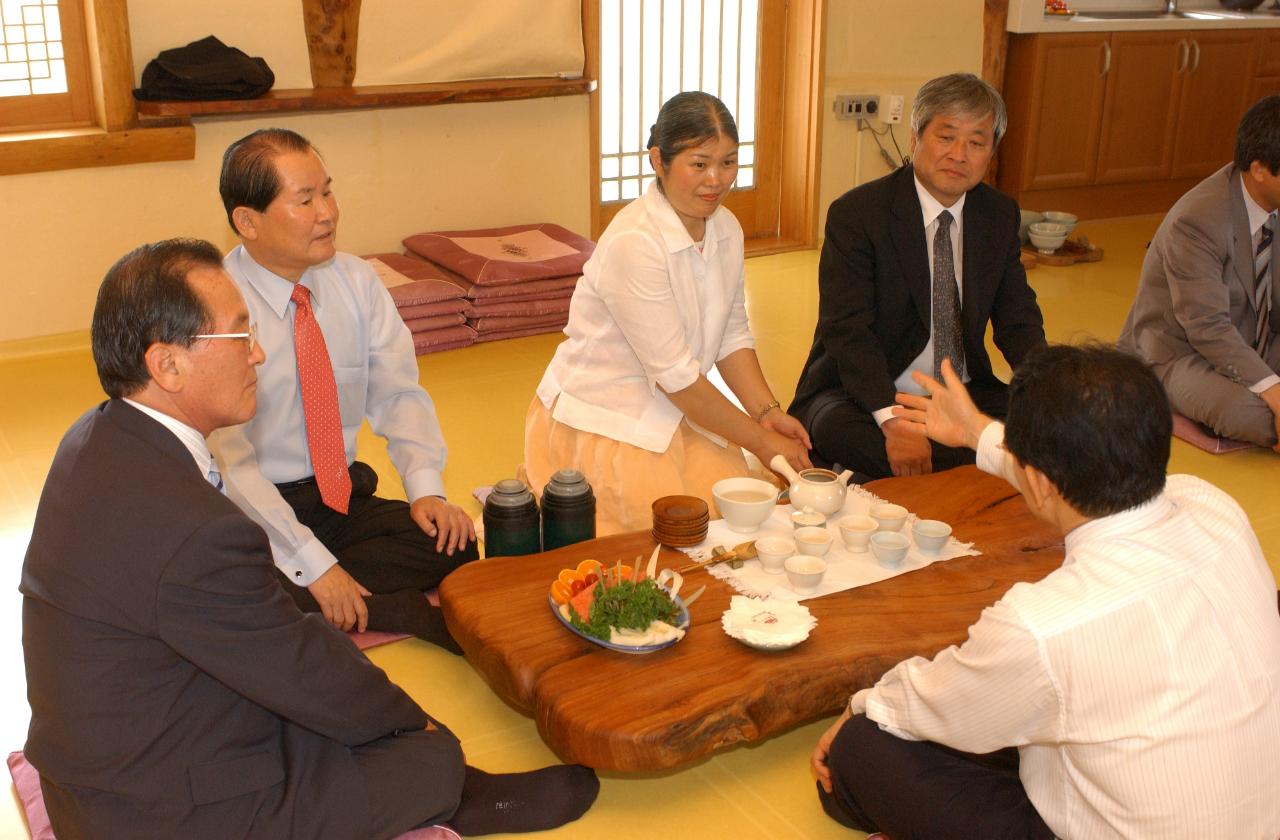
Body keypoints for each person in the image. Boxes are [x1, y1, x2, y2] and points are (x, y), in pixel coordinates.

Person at [20, 239, 599, 839]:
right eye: (240, 336)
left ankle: (435, 778)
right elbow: (294, 662)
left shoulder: (97, 436)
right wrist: (412, 724)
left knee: (325, 700)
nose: (259, 353)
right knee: (422, 753)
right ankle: (458, 791)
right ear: (167, 365)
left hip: (118, 747)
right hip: (152, 812)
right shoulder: (194, 531)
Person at [810, 345, 1280, 839]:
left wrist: (864, 703)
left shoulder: (1044, 624)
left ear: (1037, 480)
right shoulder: (1213, 507)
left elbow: (930, 703)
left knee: (860, 751)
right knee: (1021, 710)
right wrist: (975, 430)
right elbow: (1058, 477)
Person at [209, 128, 476, 651]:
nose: (327, 212)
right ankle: (369, 603)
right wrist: (313, 564)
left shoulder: (356, 282)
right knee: (227, 587)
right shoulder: (217, 306)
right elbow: (233, 464)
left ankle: (320, 601)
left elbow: (398, 393)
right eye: (304, 200)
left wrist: (427, 490)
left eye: (327, 192)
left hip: (340, 498)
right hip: (252, 511)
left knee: (456, 547)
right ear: (247, 221)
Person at [524, 91, 812, 535]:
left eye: (729, 162)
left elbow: (732, 332)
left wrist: (766, 412)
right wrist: (762, 443)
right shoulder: (634, 243)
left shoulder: (727, 228)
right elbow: (676, 377)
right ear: (658, 161)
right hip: (612, 419)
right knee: (671, 533)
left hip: (680, 409)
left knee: (738, 518)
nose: (716, 180)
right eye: (699, 164)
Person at [789, 72, 1045, 481]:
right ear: (915, 138)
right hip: (866, 393)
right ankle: (970, 463)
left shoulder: (997, 215)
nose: (959, 154)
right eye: (946, 137)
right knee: (840, 432)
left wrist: (1050, 391)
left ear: (990, 152)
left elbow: (1018, 320)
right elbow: (848, 331)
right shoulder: (858, 215)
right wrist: (893, 420)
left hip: (960, 395)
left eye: (976, 142)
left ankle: (933, 466)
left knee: (1048, 432)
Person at [1119, 94, 1280, 450]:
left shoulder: (1274, 200)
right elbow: (1207, 327)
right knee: (1243, 412)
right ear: (1259, 171)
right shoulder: (1199, 219)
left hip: (1255, 340)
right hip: (1180, 353)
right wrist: (1273, 391)